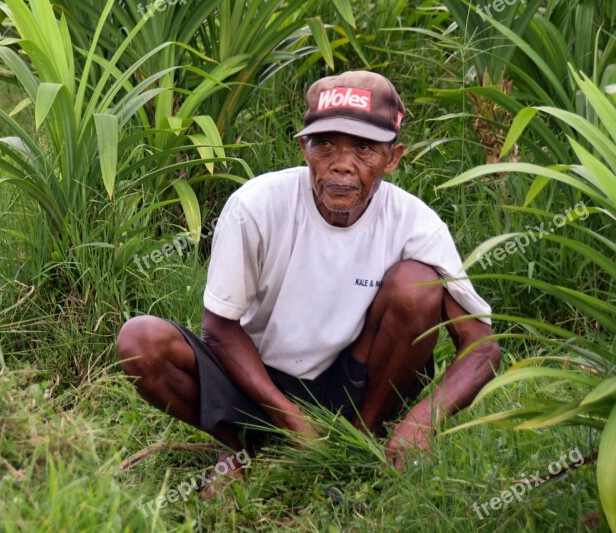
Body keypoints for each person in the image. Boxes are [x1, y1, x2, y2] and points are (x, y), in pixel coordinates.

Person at [116, 70, 501, 490]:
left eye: (364, 148)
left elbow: (481, 349)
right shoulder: (257, 205)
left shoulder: (415, 224)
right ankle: (242, 443)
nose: (341, 164)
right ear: (303, 147)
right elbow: (220, 330)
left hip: (351, 385)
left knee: (417, 286)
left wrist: (420, 422)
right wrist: (292, 419)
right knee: (141, 342)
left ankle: (364, 437)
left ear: (393, 158)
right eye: (325, 144)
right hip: (255, 380)